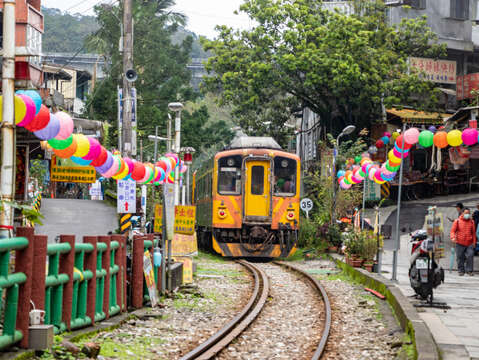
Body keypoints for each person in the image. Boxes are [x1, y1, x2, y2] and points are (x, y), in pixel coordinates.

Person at [450, 208, 476, 276]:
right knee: (460, 257)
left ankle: (469, 270)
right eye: (466, 213)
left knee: (470, 255)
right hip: (459, 243)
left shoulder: (472, 222)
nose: (467, 214)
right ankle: (461, 270)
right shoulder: (457, 221)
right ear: (462, 213)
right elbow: (452, 231)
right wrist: (452, 238)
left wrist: (474, 242)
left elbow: (473, 233)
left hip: (469, 243)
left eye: (468, 213)